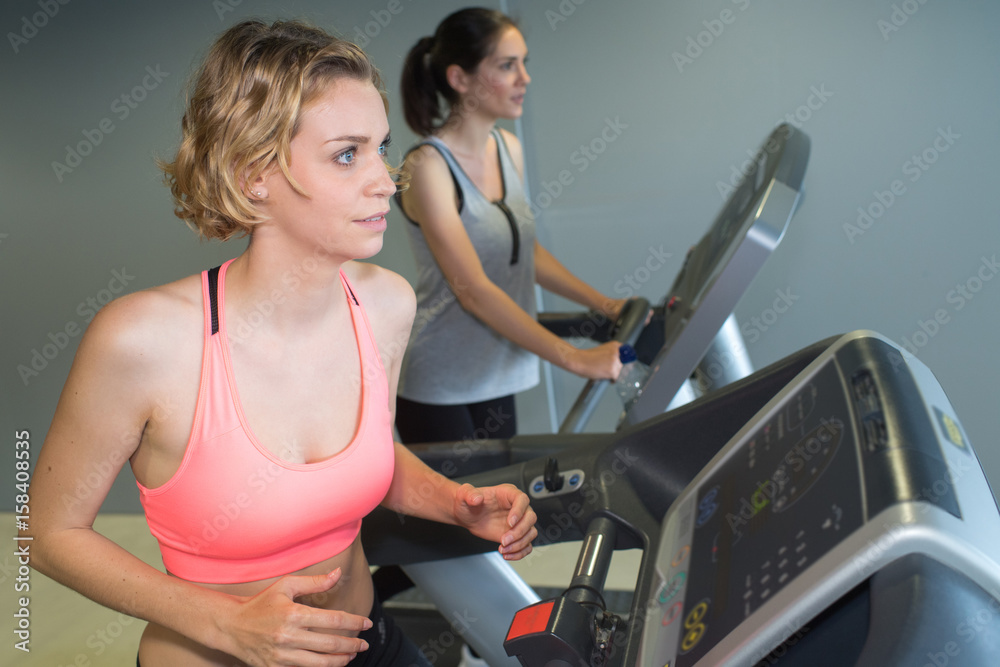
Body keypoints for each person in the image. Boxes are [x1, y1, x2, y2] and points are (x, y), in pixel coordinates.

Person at [25, 19, 537, 667]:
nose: (386, 180)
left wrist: (455, 503)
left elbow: (370, 457)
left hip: (363, 640)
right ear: (252, 174)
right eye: (347, 154)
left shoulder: (384, 304)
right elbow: (47, 534)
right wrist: (224, 622)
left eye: (381, 148)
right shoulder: (144, 340)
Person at [393, 7, 627, 446]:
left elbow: (524, 251)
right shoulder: (428, 167)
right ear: (459, 78)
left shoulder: (509, 149)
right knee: (469, 514)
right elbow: (473, 289)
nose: (525, 78)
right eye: (506, 65)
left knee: (506, 510)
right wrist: (576, 360)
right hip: (441, 387)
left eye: (524, 64)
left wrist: (606, 304)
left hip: (498, 374)